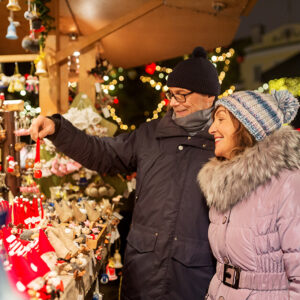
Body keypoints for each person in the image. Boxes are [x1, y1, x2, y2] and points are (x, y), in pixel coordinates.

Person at [30, 46, 220, 299]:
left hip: (193, 276)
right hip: (144, 269)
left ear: (209, 96)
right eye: (171, 94)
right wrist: (58, 130)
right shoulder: (150, 135)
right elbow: (104, 153)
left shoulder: (223, 142)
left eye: (182, 95)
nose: (174, 102)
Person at [197, 90, 300, 300]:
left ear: (246, 126)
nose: (211, 128)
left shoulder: (288, 183)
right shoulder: (221, 186)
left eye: (221, 119)